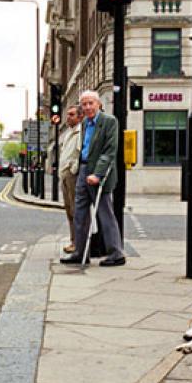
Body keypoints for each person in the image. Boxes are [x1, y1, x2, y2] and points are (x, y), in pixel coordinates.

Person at [60, 90, 126, 267]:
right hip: (82, 170)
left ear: (99, 104)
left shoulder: (109, 122)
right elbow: (82, 149)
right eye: (84, 104)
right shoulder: (84, 124)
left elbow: (109, 151)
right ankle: (80, 252)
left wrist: (97, 174)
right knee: (79, 214)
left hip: (99, 174)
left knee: (105, 213)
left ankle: (116, 253)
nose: (88, 107)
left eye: (91, 103)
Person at [59, 104, 83, 254]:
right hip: (64, 175)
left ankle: (77, 242)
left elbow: (81, 154)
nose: (68, 117)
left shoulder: (81, 132)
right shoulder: (68, 133)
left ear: (80, 117)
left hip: (72, 176)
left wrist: (72, 168)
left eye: (72, 114)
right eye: (67, 114)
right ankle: (73, 240)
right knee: (68, 210)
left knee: (75, 210)